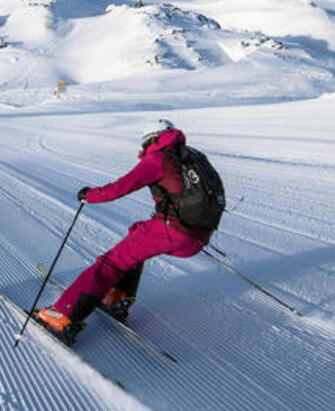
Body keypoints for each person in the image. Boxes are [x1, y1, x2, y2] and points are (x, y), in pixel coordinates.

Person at [35, 119, 213, 342]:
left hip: (173, 230)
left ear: (152, 139)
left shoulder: (158, 158)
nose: (143, 150)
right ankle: (115, 298)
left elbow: (122, 187)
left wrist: (89, 195)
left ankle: (62, 317)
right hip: (199, 235)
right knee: (137, 235)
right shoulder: (194, 157)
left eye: (144, 144)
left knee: (111, 262)